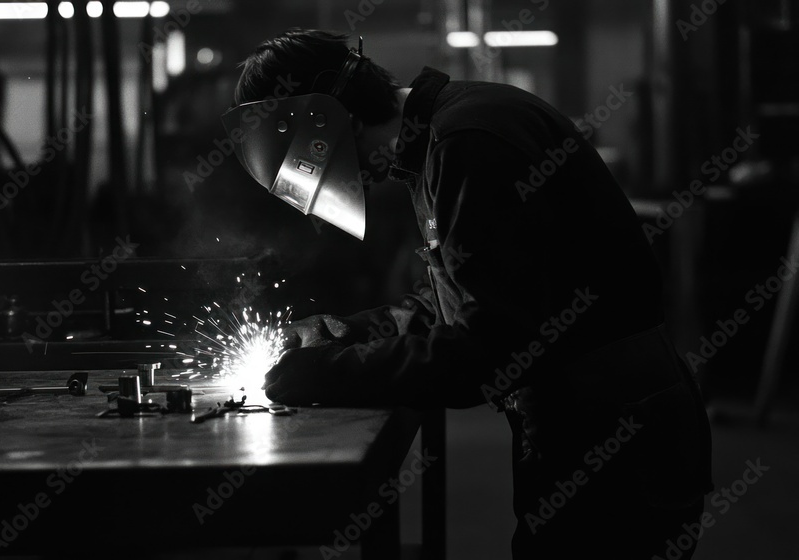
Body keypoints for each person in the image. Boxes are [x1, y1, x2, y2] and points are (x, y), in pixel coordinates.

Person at [222, 29, 713, 559]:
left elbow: (490, 345)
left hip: (615, 441)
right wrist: (349, 332)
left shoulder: (468, 142)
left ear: (346, 122)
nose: (357, 179)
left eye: (331, 160)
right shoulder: (442, 136)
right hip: (585, 426)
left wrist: (332, 373)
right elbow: (469, 299)